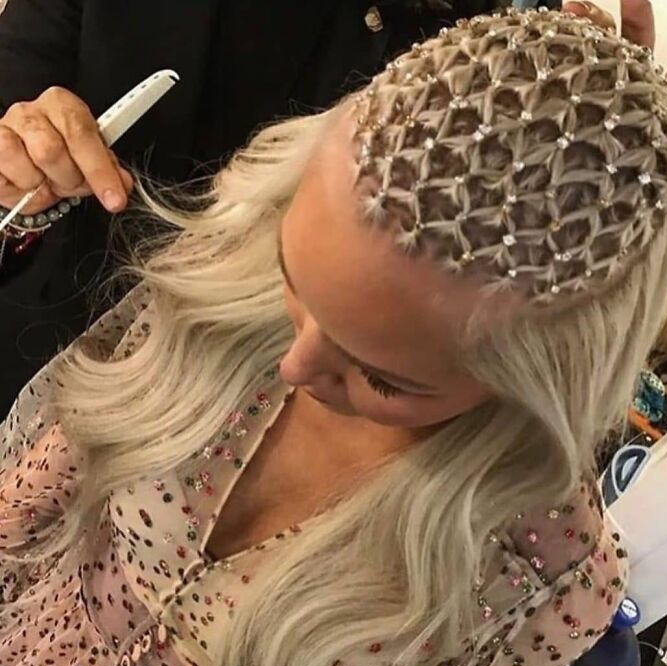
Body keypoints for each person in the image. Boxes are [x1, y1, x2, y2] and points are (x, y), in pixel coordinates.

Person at [0, 5, 667, 666]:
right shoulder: (217, 280)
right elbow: (27, 514)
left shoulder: (538, 581)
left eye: (384, 379)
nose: (295, 366)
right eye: (292, 280)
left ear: (549, 375)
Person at [0, 0, 531, 418]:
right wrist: (23, 170)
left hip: (290, 419)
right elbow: (15, 102)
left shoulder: (494, 45)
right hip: (52, 345)